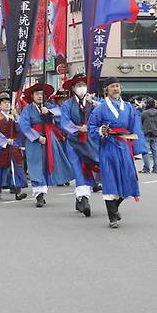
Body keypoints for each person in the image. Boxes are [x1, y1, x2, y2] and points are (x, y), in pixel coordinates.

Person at [88, 77, 147, 229]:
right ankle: (112, 216)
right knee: (109, 179)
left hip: (125, 146)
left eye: (117, 86)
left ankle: (115, 205)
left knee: (129, 177)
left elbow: (136, 128)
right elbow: (92, 127)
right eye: (112, 86)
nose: (116, 89)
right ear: (106, 90)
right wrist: (100, 130)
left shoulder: (128, 107)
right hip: (108, 147)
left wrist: (138, 149)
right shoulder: (100, 109)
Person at [19, 83, 73, 208]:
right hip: (34, 141)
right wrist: (37, 137)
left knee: (48, 164)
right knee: (35, 165)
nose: (39, 96)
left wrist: (48, 112)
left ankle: (45, 189)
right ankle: (39, 195)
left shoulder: (49, 107)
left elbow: (61, 115)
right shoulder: (28, 110)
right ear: (32, 96)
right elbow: (24, 126)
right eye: (37, 94)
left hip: (49, 138)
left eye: (41, 94)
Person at [60, 74, 100, 217]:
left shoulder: (93, 102)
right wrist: (77, 129)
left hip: (90, 140)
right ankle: (84, 199)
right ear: (73, 88)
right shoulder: (67, 105)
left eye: (83, 85)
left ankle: (80, 197)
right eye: (78, 85)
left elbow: (104, 113)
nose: (81, 88)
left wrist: (94, 104)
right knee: (78, 168)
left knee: (91, 166)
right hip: (74, 140)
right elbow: (64, 122)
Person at [0, 92, 28, 201]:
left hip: (14, 145)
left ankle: (17, 189)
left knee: (16, 167)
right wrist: (5, 141)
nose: (7, 105)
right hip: (1, 147)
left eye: (8, 103)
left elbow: (21, 130)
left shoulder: (13, 117)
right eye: (4, 102)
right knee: (0, 168)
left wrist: (16, 117)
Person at [140, 98, 157, 173]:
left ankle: (146, 168)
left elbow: (140, 122)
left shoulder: (144, 113)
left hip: (146, 133)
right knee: (155, 152)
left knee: (145, 151)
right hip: (155, 133)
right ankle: (155, 168)